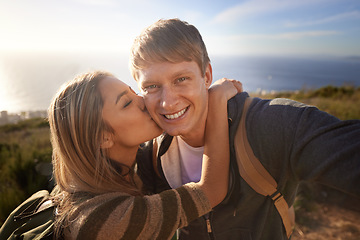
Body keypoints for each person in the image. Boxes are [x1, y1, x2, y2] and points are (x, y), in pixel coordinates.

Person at [130, 18, 360, 239]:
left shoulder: (272, 124)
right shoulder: (150, 154)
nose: (167, 102)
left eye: (181, 79)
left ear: (207, 75)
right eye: (151, 86)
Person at [48, 71, 242, 239]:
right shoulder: (104, 221)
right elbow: (210, 190)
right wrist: (216, 100)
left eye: (134, 92)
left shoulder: (117, 174)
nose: (144, 101)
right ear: (103, 138)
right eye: (126, 103)